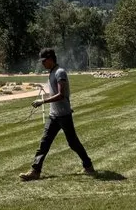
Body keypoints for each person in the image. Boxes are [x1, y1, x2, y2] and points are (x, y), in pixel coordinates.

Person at [20, 48, 95, 181]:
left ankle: (88, 166)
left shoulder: (60, 72)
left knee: (73, 143)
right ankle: (35, 171)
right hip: (53, 115)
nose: (42, 64)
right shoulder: (52, 72)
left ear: (50, 59)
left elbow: (61, 95)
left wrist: (42, 101)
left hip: (64, 115)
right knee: (44, 143)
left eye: (44, 61)